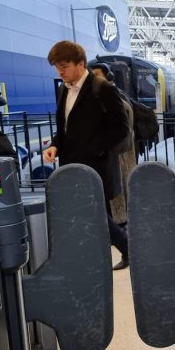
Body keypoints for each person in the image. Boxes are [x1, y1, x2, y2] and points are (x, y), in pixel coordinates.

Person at [42, 41, 131, 271]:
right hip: (71, 164)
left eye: (64, 66)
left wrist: (95, 149)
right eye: (56, 67)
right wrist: (55, 146)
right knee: (91, 212)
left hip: (96, 166)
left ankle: (128, 249)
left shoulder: (103, 88)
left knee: (95, 213)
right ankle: (100, 254)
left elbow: (121, 129)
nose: (60, 72)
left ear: (80, 63)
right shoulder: (64, 89)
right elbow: (64, 127)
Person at [91, 62, 136, 227]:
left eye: (96, 75)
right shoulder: (118, 93)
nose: (92, 79)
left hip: (119, 149)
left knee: (117, 187)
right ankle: (121, 221)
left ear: (107, 76)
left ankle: (119, 222)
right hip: (123, 148)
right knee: (121, 186)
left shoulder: (109, 94)